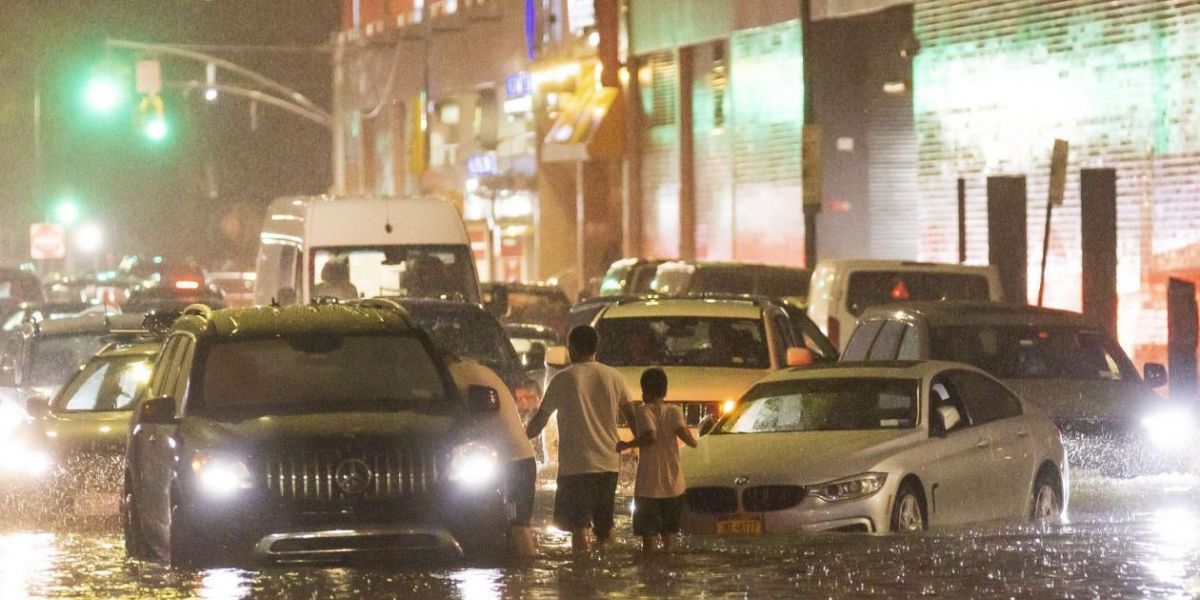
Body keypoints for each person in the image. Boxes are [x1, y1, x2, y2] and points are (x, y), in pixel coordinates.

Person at [526, 325, 636, 553]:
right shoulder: (614, 376)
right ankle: (608, 575)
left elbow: (540, 420)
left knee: (579, 529)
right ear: (596, 348)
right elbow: (634, 418)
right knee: (605, 531)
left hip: (576, 467)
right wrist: (641, 444)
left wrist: (519, 439)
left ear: (572, 348)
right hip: (609, 464)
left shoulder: (564, 378)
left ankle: (580, 577)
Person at [444, 352, 539, 558]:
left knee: (518, 527)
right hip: (518, 460)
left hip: (511, 463)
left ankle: (526, 573)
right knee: (514, 527)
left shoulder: (453, 376)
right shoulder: (480, 370)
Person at [617, 367, 698, 553]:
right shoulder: (675, 410)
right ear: (665, 391)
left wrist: (626, 445)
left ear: (644, 392)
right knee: (670, 541)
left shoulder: (643, 411)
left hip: (649, 487)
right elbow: (687, 438)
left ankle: (652, 578)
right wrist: (696, 440)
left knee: (649, 543)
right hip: (674, 486)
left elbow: (650, 436)